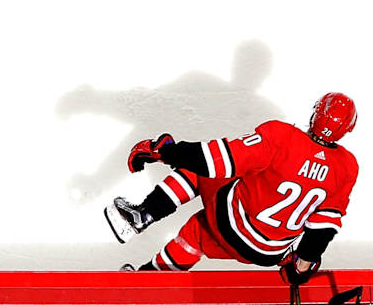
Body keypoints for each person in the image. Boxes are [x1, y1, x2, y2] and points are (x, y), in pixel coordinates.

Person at [105, 92, 358, 285]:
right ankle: (149, 280)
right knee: (198, 233)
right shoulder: (347, 167)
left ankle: (141, 215)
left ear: (316, 113)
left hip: (233, 224)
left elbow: (214, 159)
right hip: (267, 253)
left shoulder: (282, 136)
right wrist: (300, 266)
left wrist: (163, 151)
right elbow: (323, 226)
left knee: (203, 170)